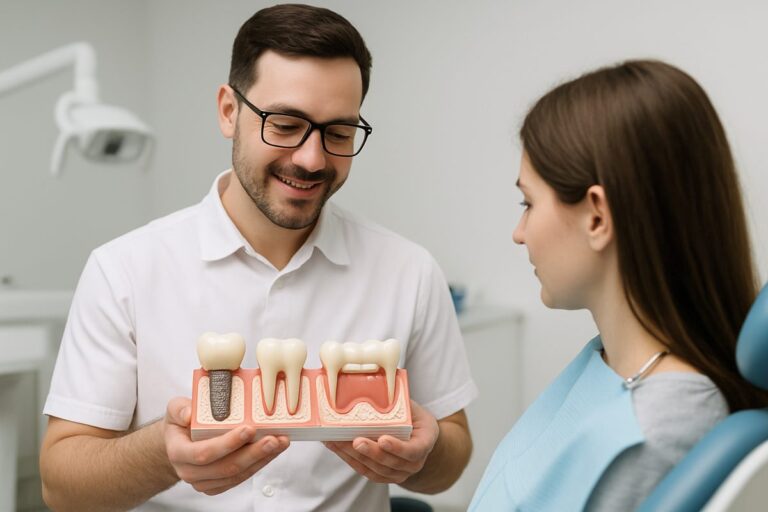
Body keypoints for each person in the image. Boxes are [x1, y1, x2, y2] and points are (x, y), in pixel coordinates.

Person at [39, 4, 477, 511]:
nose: (312, 159)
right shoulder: (124, 272)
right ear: (229, 111)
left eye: (338, 133)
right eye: (286, 124)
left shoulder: (411, 272)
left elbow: (453, 452)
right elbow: (62, 487)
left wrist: (424, 454)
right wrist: (165, 452)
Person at [469, 60, 768, 511]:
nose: (519, 231)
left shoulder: (659, 427)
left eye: (528, 203)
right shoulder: (614, 365)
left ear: (597, 216)